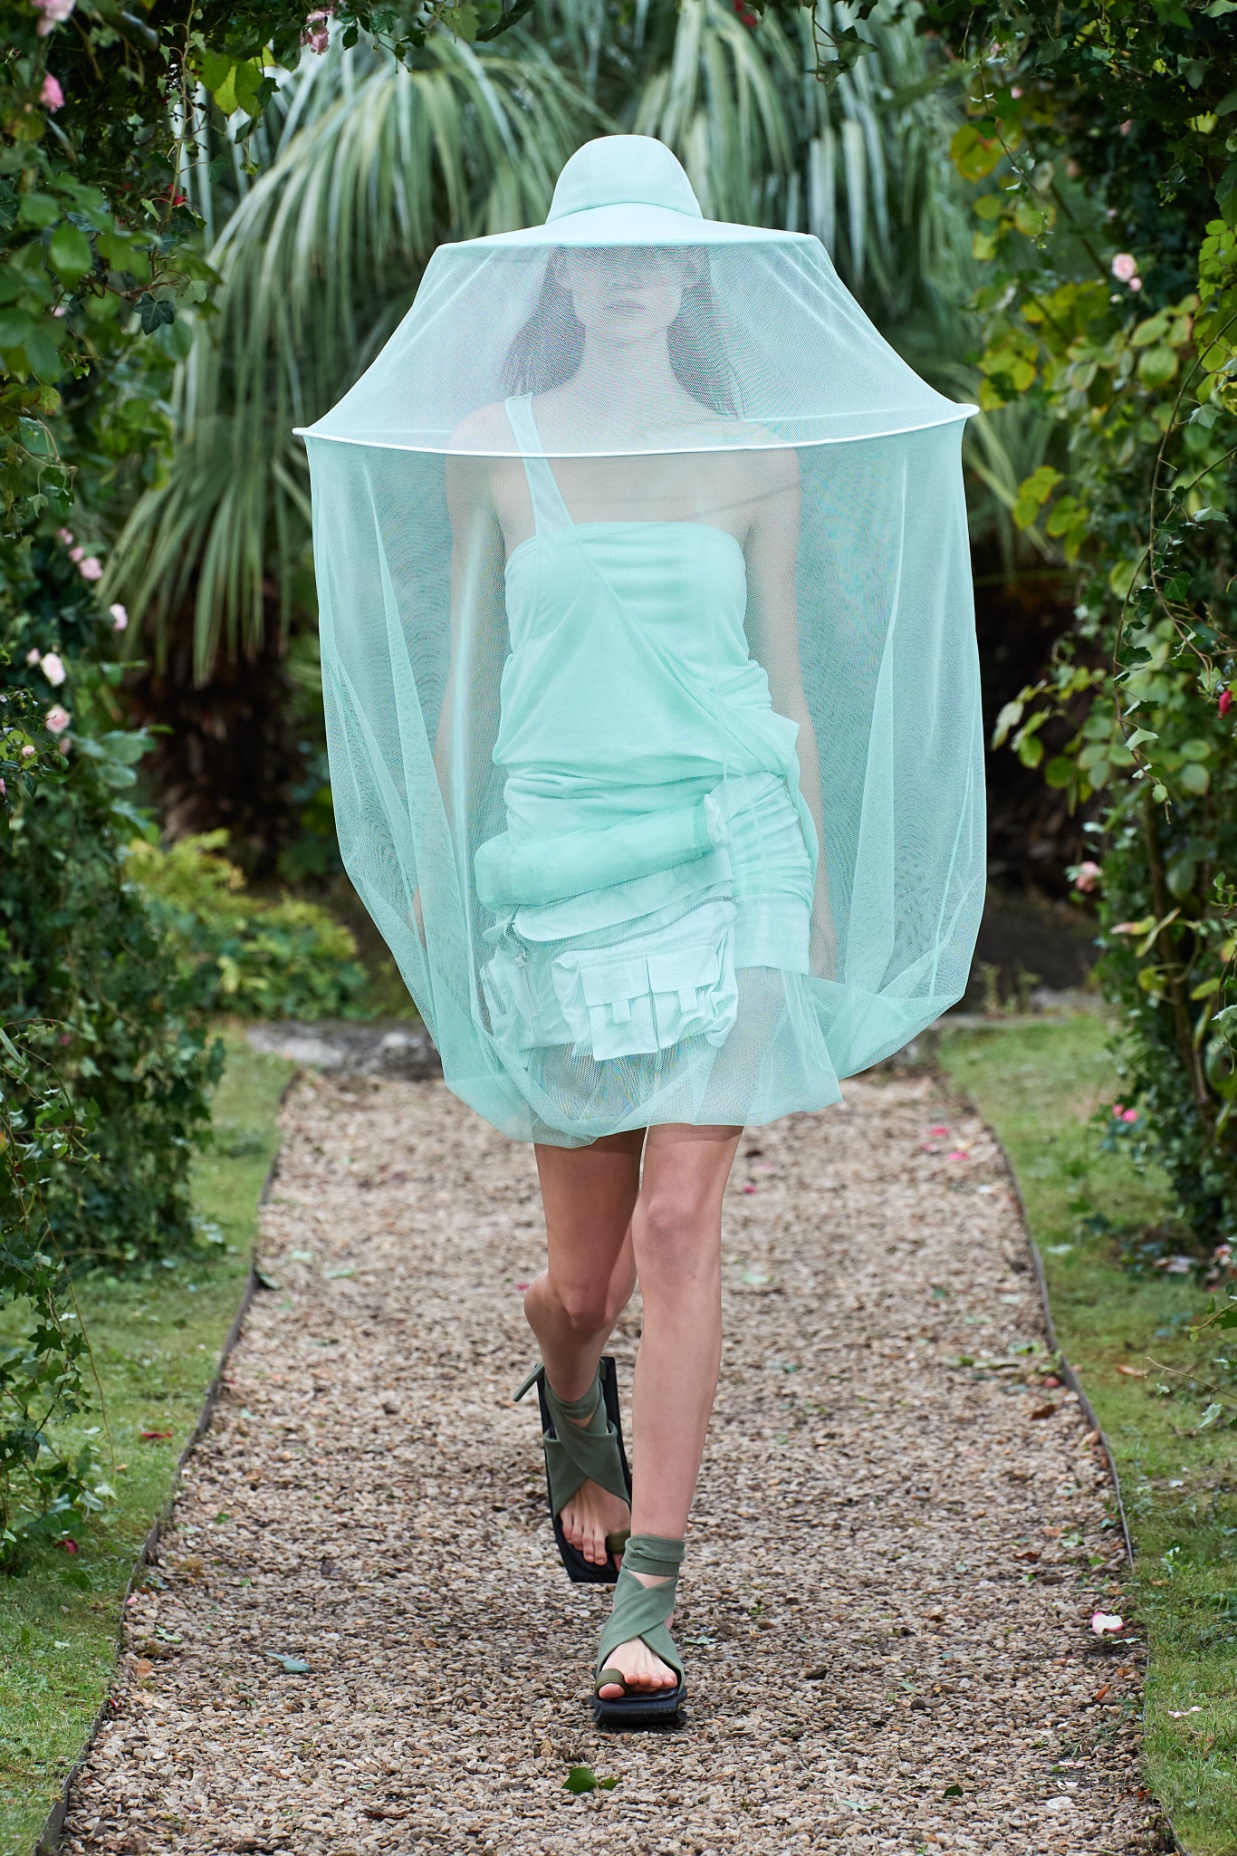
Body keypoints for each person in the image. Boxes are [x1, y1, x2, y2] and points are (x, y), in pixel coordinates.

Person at [301, 133, 984, 1729]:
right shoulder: (493, 444)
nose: (623, 275)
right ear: (563, 274)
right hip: (556, 861)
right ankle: (565, 1384)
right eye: (596, 252)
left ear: (689, 274)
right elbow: (467, 674)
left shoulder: (755, 459)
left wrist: (805, 878)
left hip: (729, 848)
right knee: (583, 1282)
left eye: (650, 251)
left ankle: (647, 1608)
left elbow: (783, 681)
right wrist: (444, 857)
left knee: (683, 1225)